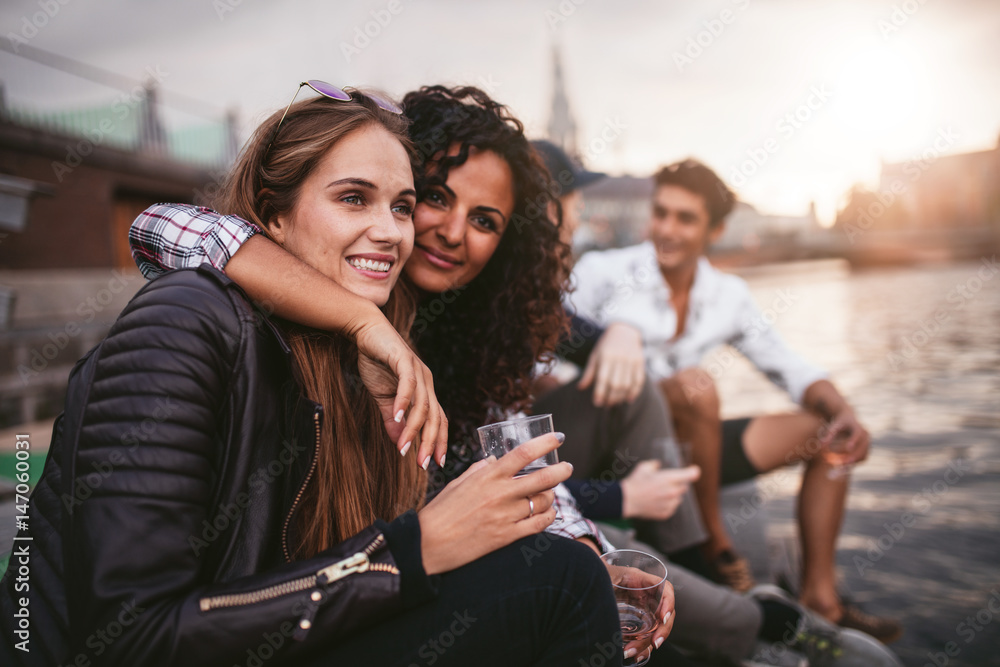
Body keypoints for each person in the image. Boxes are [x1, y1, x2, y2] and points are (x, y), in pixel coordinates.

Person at [0, 86, 629, 666]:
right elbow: (131, 634)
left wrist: (592, 550)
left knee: (565, 577)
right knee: (561, 585)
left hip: (286, 623)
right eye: (355, 198)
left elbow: (504, 473)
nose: (394, 231)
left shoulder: (394, 349)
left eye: (401, 206)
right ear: (271, 218)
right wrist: (413, 549)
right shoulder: (193, 320)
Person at [566, 158, 902, 643]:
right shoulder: (601, 271)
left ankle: (822, 596)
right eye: (661, 213)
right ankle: (714, 547)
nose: (666, 228)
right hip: (621, 451)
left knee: (824, 434)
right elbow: (542, 363)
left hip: (691, 449)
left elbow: (788, 365)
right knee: (695, 386)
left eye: (685, 219)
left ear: (715, 229)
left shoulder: (728, 294)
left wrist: (845, 411)